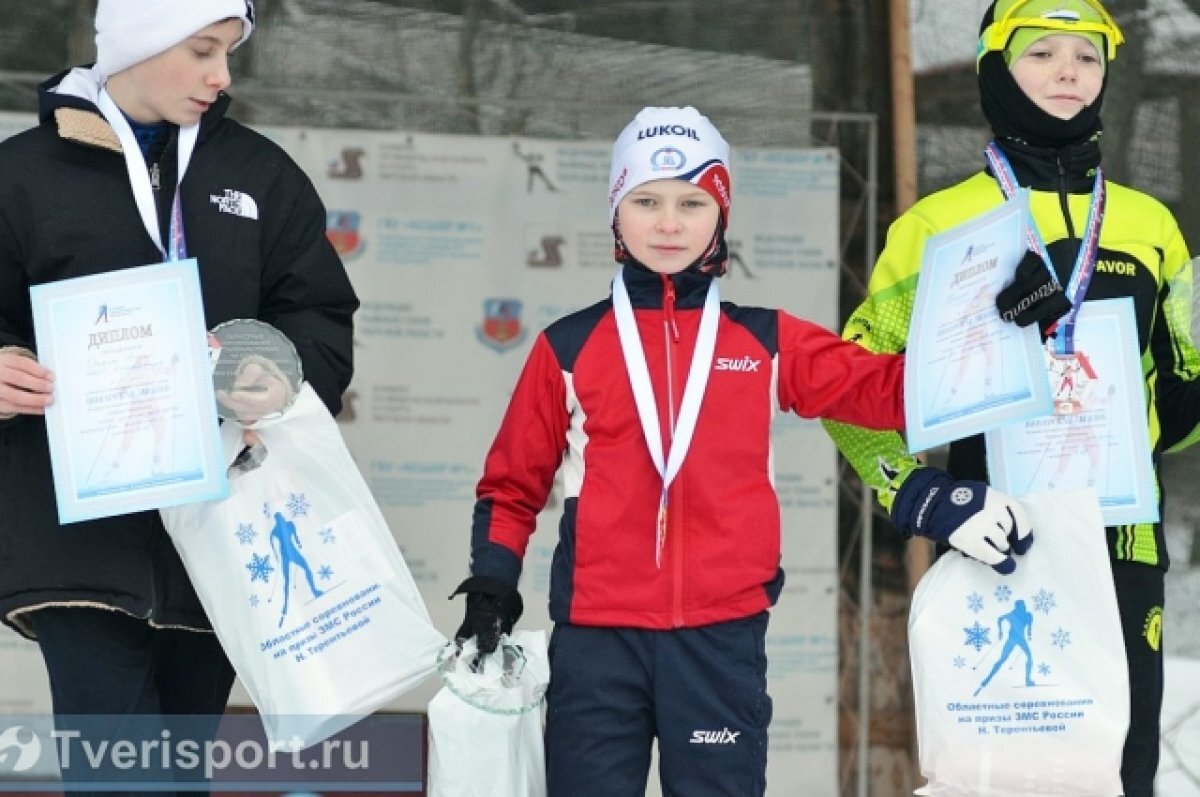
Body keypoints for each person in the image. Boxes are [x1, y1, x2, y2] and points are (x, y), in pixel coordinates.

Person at [452, 105, 912, 797]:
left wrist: (992, 333)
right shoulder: (568, 346)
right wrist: (492, 584)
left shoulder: (765, 341)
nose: (668, 223)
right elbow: (511, 486)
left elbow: (885, 392)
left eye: (692, 203)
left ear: (720, 215)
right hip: (597, 638)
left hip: (718, 638)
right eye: (647, 201)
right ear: (616, 211)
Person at [823, 2, 1200, 794]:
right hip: (997, 544)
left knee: (1121, 778)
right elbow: (847, 392)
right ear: (996, 70)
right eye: (1043, 53)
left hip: (1122, 551)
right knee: (995, 782)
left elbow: (1173, 419)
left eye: (1087, 58)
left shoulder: (1151, 226)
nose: (1069, 72)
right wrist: (922, 494)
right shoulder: (940, 225)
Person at [0, 0, 358, 792]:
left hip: (223, 534)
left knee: (178, 775)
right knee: (119, 775)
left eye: (229, 52)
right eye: (202, 49)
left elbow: (319, 317)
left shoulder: (261, 176)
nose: (221, 75)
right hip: (77, 538)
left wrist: (276, 370)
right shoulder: (21, 174)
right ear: (140, 40)